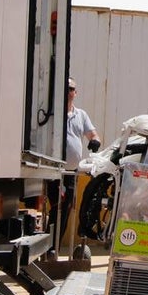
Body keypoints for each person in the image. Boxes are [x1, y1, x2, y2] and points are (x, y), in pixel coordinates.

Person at [50, 78, 101, 252]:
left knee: (68, 207)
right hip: (55, 171)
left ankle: (53, 246)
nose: (68, 92)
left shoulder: (81, 115)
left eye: (71, 89)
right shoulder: (53, 113)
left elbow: (93, 135)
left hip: (72, 171)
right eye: (65, 88)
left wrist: (95, 141)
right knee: (57, 206)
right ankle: (50, 245)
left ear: (75, 93)